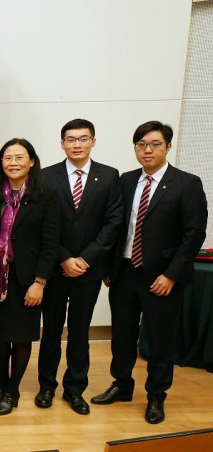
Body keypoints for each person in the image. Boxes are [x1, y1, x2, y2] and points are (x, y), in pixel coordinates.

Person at [91, 121, 207, 424]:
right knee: (122, 334)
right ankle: (122, 384)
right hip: (125, 272)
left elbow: (193, 234)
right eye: (141, 144)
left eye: (155, 144)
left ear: (168, 147)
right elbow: (113, 227)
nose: (147, 150)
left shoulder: (186, 183)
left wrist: (171, 274)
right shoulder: (126, 181)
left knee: (158, 339)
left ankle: (156, 395)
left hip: (162, 276)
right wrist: (107, 268)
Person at [36, 119, 123, 415]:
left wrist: (85, 259)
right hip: (55, 267)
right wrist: (63, 258)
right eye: (70, 139)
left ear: (93, 142)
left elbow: (113, 223)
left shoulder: (110, 176)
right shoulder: (46, 176)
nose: (76, 144)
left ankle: (75, 389)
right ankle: (46, 386)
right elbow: (44, 225)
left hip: (89, 270)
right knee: (50, 331)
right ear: (62, 144)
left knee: (79, 331)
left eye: (83, 139)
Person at [0, 138, 60, 416]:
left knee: (21, 337)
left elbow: (50, 243)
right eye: (7, 157)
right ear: (1, 162)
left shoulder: (46, 194)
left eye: (19, 157)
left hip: (27, 280)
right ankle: (0, 384)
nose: (13, 162)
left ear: (32, 161)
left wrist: (40, 282)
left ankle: (12, 390)